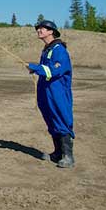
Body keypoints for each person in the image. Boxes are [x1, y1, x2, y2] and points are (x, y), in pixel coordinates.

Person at [26, 19, 75, 168]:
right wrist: (36, 69)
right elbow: (46, 70)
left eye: (42, 28)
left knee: (61, 118)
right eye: (38, 28)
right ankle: (58, 153)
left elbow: (55, 70)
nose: (39, 30)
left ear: (51, 31)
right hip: (46, 91)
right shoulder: (47, 50)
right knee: (51, 120)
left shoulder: (59, 50)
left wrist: (36, 68)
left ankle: (68, 156)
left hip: (57, 92)